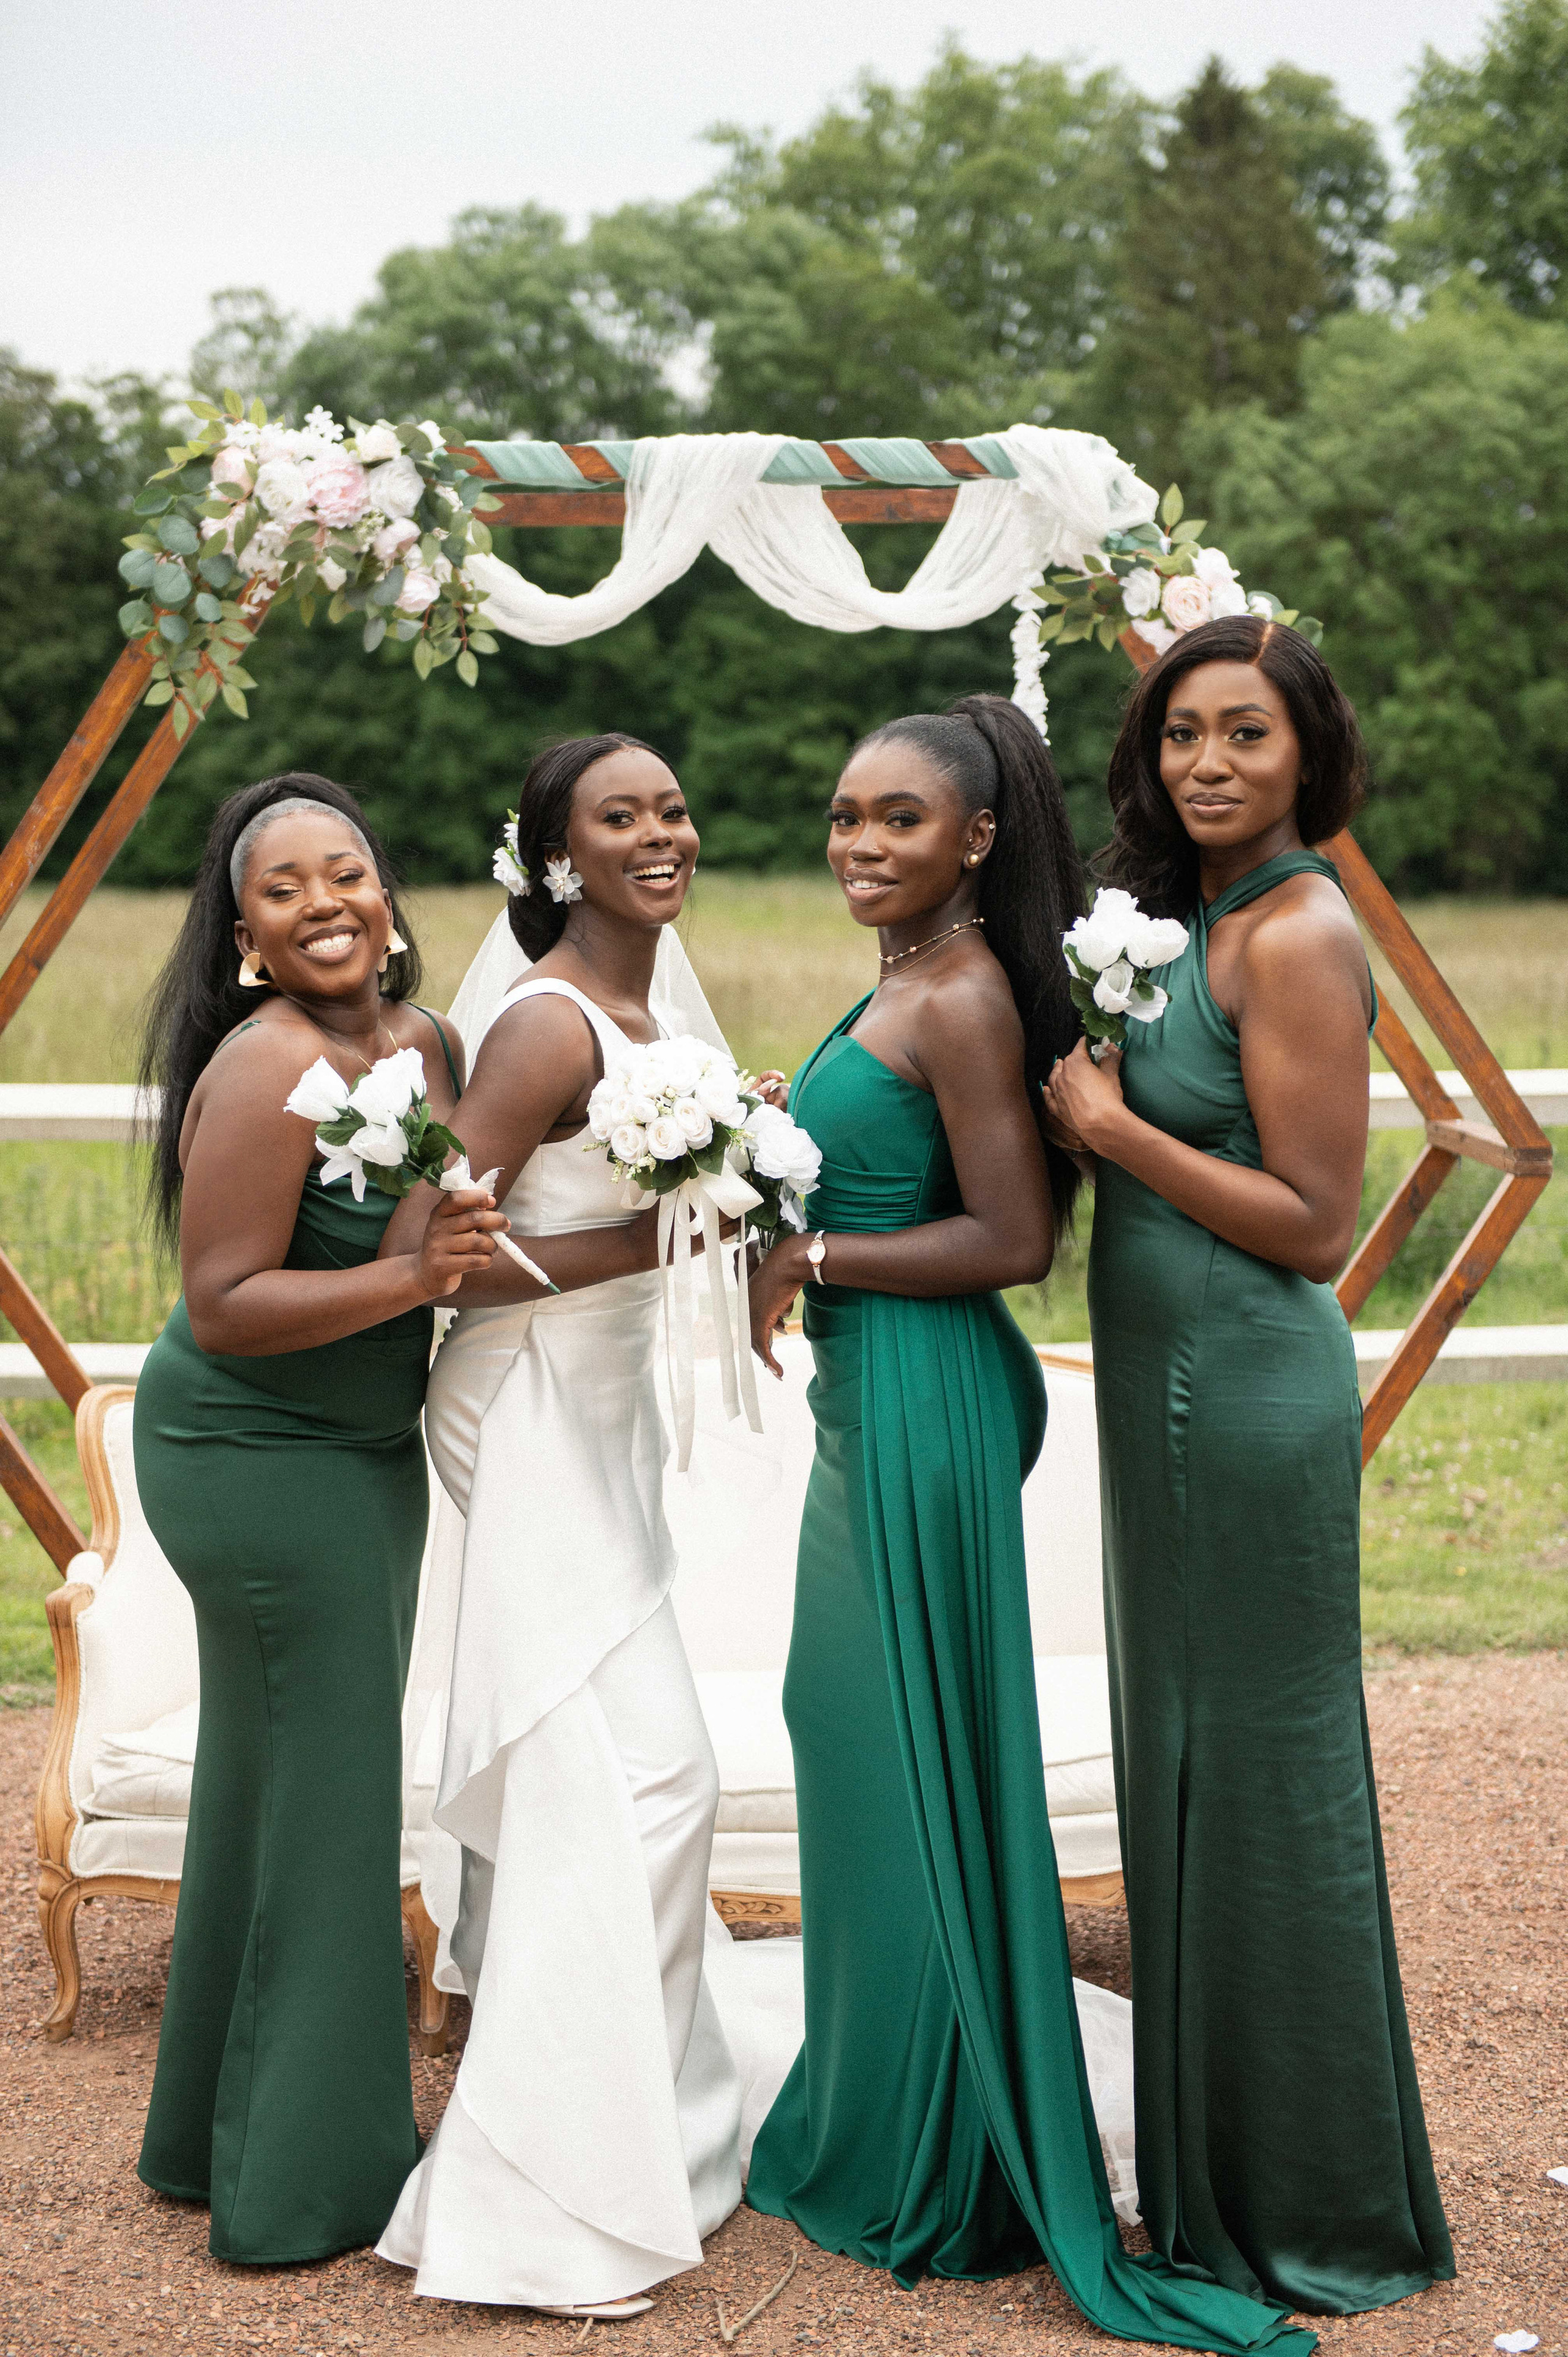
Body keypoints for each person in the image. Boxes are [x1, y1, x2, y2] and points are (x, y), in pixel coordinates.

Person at [744, 694, 1311, 2353]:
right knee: (860, 1749)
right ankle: (890, 2106)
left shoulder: (970, 995)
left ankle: (947, 2157)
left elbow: (1008, 1238)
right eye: (847, 815)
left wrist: (818, 1255)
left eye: (899, 821)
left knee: (903, 1759)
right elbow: (899, 1167)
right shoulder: (906, 978)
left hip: (927, 1395)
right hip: (881, 1393)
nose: (861, 844)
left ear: (978, 840)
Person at [1043, 615, 1455, 2316]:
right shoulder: (1182, 920)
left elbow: (1315, 1222)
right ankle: (1214, 2173)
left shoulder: (1298, 935)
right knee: (1189, 1774)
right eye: (1184, 735)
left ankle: (1314, 2205)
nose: (1210, 763)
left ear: (1310, 757)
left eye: (1248, 736)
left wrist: (1118, 1133)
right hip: (1161, 1390)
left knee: (1264, 1783)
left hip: (1247, 1388)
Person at [376, 735, 752, 2320]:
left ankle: (656, 2128)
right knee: (645, 1770)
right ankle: (548, 2181)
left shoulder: (663, 1005)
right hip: (521, 1395)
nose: (656, 833)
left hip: (601, 1413)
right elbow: (432, 1249)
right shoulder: (542, 1026)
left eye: (668, 809)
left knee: (621, 1772)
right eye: (620, 818)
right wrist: (655, 1233)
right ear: (557, 859)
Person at [133, 774, 501, 2263]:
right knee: (336, 1800)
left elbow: (458, 1227)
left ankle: (203, 2136)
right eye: (281, 890)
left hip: (362, 1450)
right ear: (244, 936)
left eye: (342, 870)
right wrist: (414, 1286)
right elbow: (223, 1307)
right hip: (248, 1453)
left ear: (386, 887)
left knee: (270, 1782)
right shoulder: (267, 1064)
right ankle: (305, 2184)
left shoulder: (428, 1043)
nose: (323, 904)